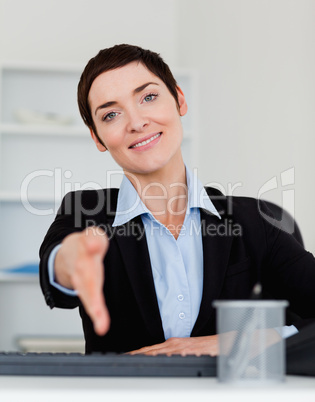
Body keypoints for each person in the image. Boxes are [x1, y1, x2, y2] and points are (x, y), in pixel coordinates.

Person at [39, 44, 315, 355]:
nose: (137, 122)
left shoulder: (257, 221)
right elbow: (58, 267)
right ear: (97, 137)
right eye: (111, 114)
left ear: (179, 100)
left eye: (148, 97)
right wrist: (66, 264)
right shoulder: (85, 212)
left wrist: (248, 340)